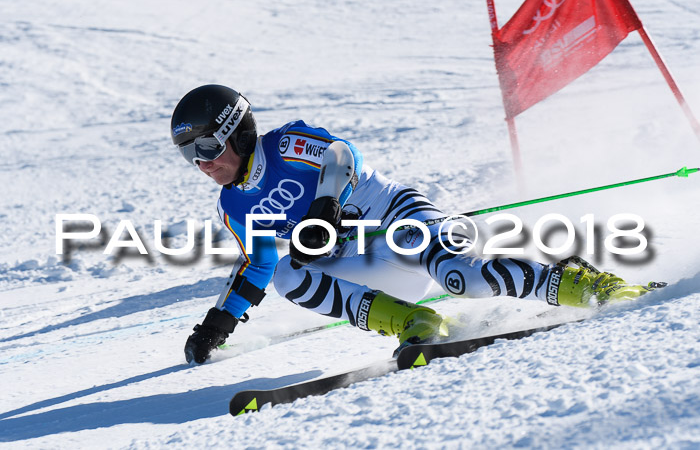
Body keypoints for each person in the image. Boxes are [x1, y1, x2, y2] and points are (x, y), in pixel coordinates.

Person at [170, 84, 654, 365]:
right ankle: (414, 321)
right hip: (364, 264)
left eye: (207, 147)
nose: (202, 164)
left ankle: (585, 283)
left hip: (399, 220)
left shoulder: (284, 145)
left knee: (462, 277)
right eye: (190, 155)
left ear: (238, 131)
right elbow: (257, 265)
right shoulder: (233, 207)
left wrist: (325, 207)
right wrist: (217, 325)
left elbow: (343, 154)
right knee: (285, 275)